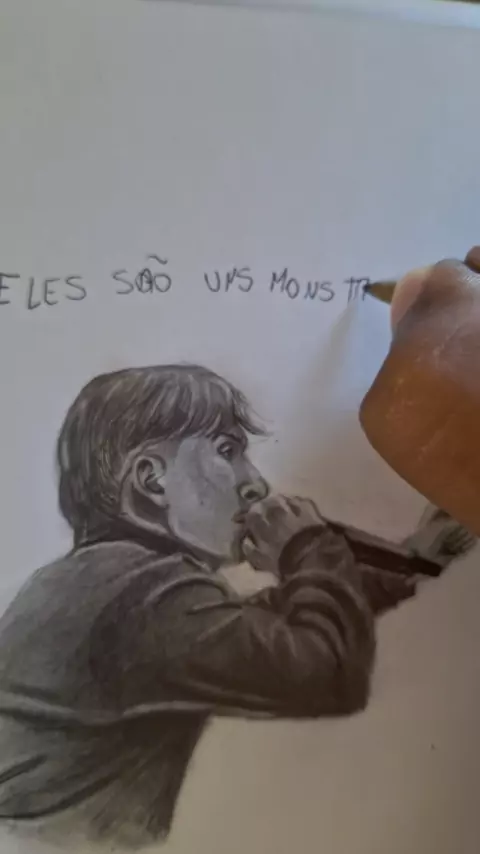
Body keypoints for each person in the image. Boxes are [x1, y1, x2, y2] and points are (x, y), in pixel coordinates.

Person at [0, 364, 437, 847]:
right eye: (227, 451)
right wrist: (307, 548)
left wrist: (405, 577)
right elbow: (329, 672)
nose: (257, 485)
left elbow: (260, 628)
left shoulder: (95, 582)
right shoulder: (147, 595)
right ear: (151, 480)